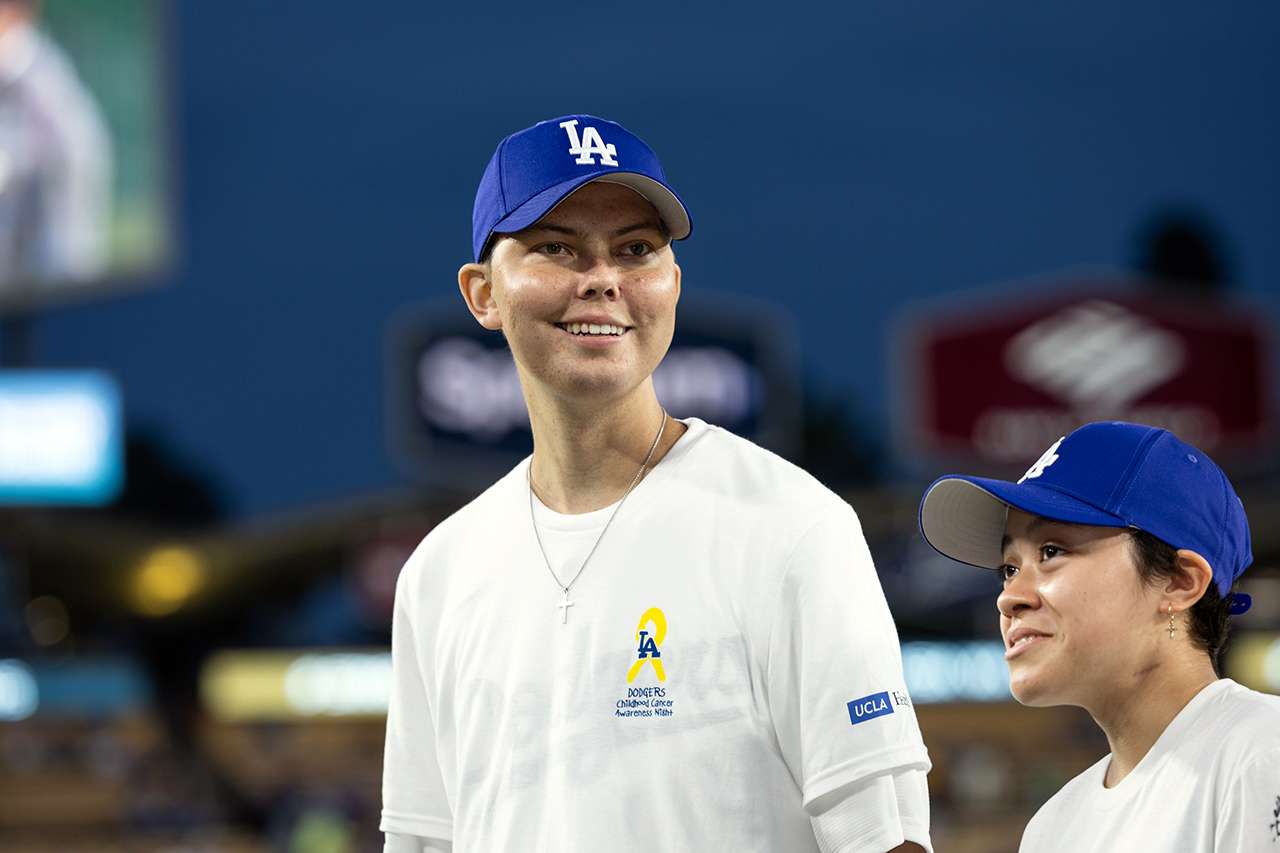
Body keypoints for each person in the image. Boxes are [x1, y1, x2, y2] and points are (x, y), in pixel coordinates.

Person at [380, 114, 932, 853]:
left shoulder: (792, 525)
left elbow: (885, 839)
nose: (603, 278)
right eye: (556, 247)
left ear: (671, 283)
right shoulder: (440, 573)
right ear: (482, 293)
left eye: (636, 249)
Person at [918, 421, 1279, 852]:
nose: (1009, 597)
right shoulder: (1052, 828)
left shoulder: (1263, 749)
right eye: (1008, 569)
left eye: (1051, 552)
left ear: (1179, 583)